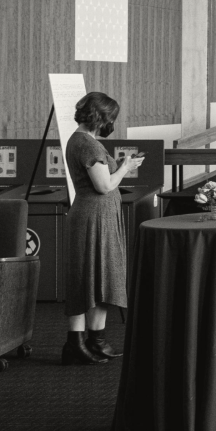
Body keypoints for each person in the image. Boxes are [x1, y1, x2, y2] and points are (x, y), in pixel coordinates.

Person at [62, 91, 143, 365]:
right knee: (87, 278)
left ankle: (96, 341)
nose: (112, 123)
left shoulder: (80, 140)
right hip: (93, 219)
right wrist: (125, 167)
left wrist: (120, 166)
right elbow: (104, 186)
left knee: (101, 278)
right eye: (111, 118)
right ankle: (75, 344)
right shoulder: (88, 145)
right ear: (100, 117)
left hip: (97, 217)